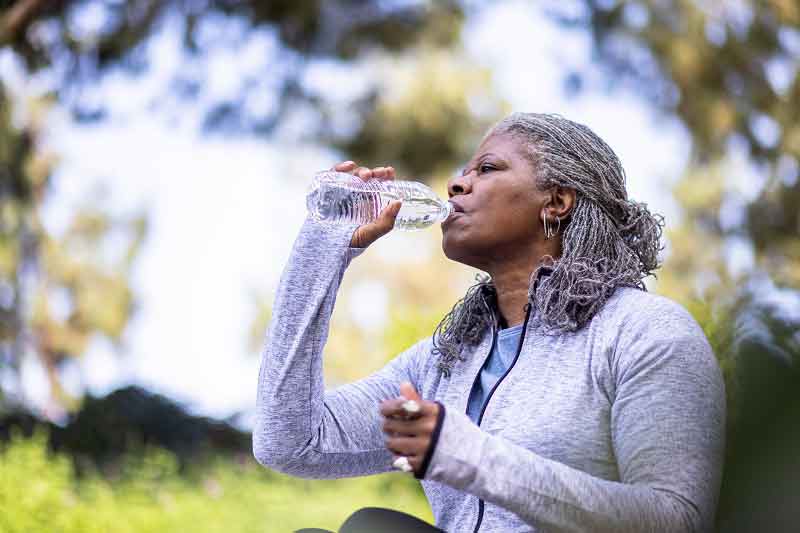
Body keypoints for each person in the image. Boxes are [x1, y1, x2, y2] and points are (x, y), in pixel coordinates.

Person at [253, 112, 726, 532]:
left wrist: (471, 455)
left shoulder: (645, 332)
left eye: (487, 169)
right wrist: (322, 251)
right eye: (463, 171)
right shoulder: (444, 361)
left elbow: (677, 518)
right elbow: (289, 443)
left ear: (557, 201)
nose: (457, 185)